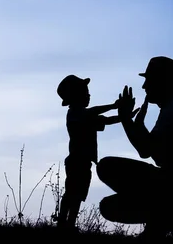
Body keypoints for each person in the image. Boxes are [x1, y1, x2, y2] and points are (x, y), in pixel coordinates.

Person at [96, 56, 173, 238]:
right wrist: (136, 126)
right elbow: (154, 154)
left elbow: (146, 150)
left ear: (162, 81)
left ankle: (172, 219)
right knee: (108, 207)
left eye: (149, 80)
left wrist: (126, 119)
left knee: (106, 167)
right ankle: (163, 223)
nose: (144, 87)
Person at [56, 74, 138, 230]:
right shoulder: (75, 114)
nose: (88, 95)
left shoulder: (86, 117)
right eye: (85, 93)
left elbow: (106, 120)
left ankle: (70, 223)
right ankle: (62, 222)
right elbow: (93, 112)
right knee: (71, 192)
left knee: (78, 194)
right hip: (76, 161)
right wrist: (114, 106)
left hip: (85, 162)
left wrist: (124, 117)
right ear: (75, 96)